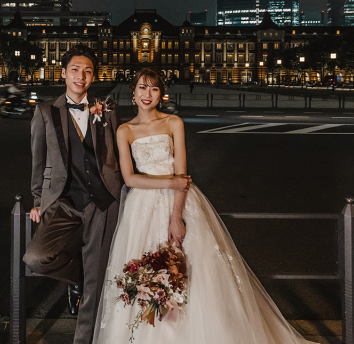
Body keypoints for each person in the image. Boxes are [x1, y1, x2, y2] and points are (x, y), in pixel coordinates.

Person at [94, 68, 314, 344]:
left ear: (161, 94)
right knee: (145, 273)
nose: (147, 94)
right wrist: (171, 182)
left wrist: (176, 217)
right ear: (133, 93)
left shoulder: (173, 122)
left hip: (180, 203)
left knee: (194, 274)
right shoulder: (125, 130)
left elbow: (183, 171)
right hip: (142, 207)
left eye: (153, 88)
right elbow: (130, 178)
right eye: (141, 88)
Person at [23, 45, 123, 344]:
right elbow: (37, 160)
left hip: (103, 200)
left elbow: (116, 154)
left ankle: (83, 340)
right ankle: (77, 276)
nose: (82, 76)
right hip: (64, 199)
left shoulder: (106, 108)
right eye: (76, 70)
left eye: (88, 71)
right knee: (36, 257)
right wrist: (38, 199)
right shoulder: (44, 111)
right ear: (64, 73)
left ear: (94, 76)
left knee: (97, 282)